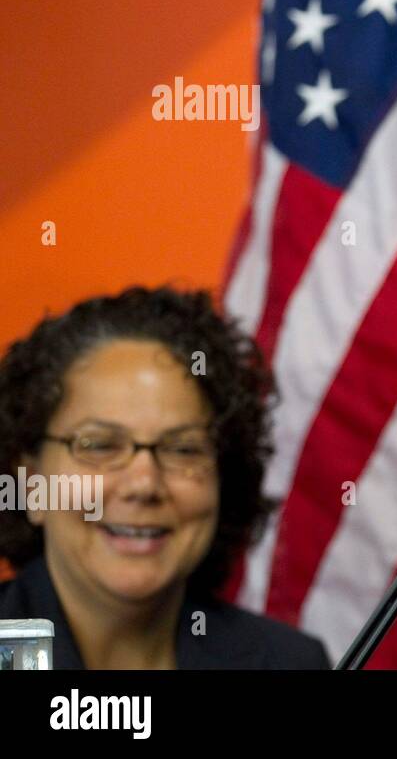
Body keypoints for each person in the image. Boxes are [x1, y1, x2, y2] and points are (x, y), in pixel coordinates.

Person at [0, 286, 330, 669]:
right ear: (32, 484)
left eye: (183, 449)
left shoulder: (289, 663)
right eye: (101, 445)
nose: (144, 484)